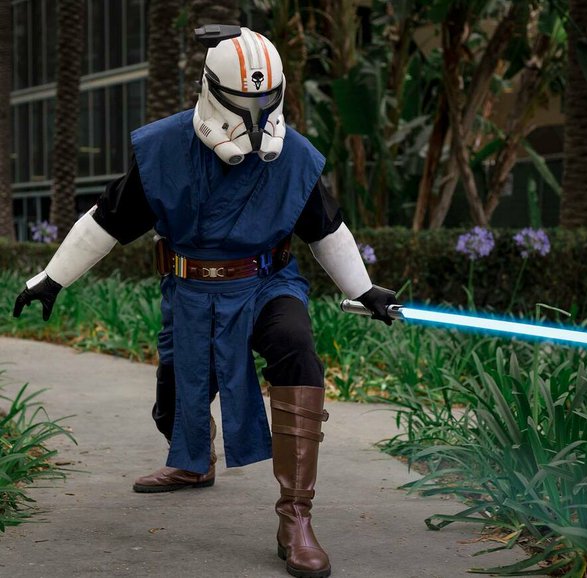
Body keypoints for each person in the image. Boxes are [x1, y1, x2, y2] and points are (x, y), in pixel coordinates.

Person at [13, 25, 396, 578]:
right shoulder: (163, 150)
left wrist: (362, 290)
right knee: (173, 408)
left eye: (266, 102)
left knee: (296, 348)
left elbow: (325, 228)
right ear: (211, 90)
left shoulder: (294, 156)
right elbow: (109, 219)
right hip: (191, 293)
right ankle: (194, 463)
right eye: (243, 103)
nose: (256, 118)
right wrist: (52, 278)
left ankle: (295, 516)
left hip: (265, 284)